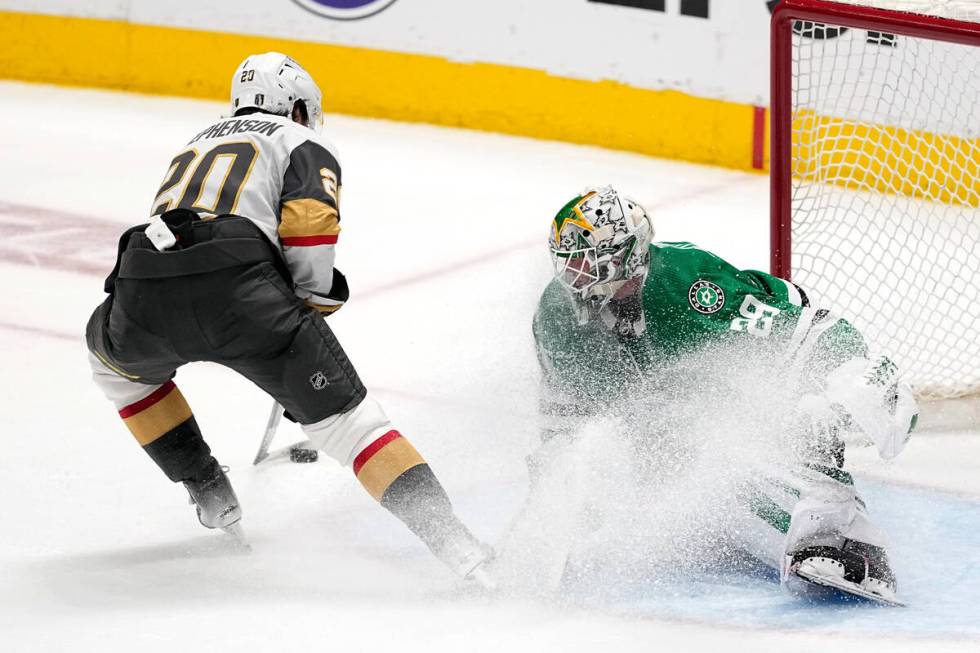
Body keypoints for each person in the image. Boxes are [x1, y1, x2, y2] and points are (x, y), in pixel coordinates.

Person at [85, 52, 492, 585]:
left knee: (117, 372)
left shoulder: (196, 140)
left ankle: (208, 489)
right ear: (298, 106)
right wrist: (312, 297)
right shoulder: (300, 139)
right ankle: (464, 553)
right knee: (354, 428)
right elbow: (310, 226)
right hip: (242, 291)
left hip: (144, 280)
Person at [528, 185, 918, 604]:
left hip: (756, 371)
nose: (575, 278)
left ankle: (842, 533)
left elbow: (806, 334)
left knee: (796, 417)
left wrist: (849, 372)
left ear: (625, 254)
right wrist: (560, 509)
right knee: (674, 468)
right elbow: (565, 421)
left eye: (587, 263)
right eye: (569, 265)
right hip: (672, 404)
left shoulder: (688, 288)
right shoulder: (558, 315)